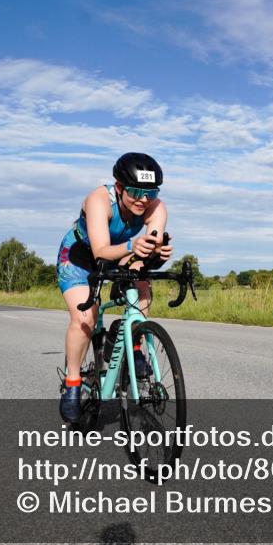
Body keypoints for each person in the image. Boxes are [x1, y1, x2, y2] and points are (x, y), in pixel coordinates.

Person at [55, 153, 173, 423]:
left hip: (118, 252)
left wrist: (157, 254)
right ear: (119, 187)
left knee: (141, 280)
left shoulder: (157, 207)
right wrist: (134, 246)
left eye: (150, 192)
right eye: (135, 192)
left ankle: (133, 342)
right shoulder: (99, 200)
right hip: (80, 256)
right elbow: (100, 250)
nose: (143, 199)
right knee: (85, 317)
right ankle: (73, 383)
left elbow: (146, 250)